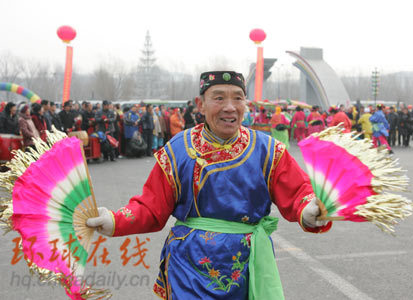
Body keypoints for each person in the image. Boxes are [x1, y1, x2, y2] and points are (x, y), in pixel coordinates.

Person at [86, 70, 331, 300]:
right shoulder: (179, 148)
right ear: (201, 104)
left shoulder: (267, 149)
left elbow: (299, 191)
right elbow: (151, 207)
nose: (229, 107)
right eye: (219, 98)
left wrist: (309, 209)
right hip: (189, 267)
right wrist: (116, 220)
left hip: (247, 266)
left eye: (238, 98)